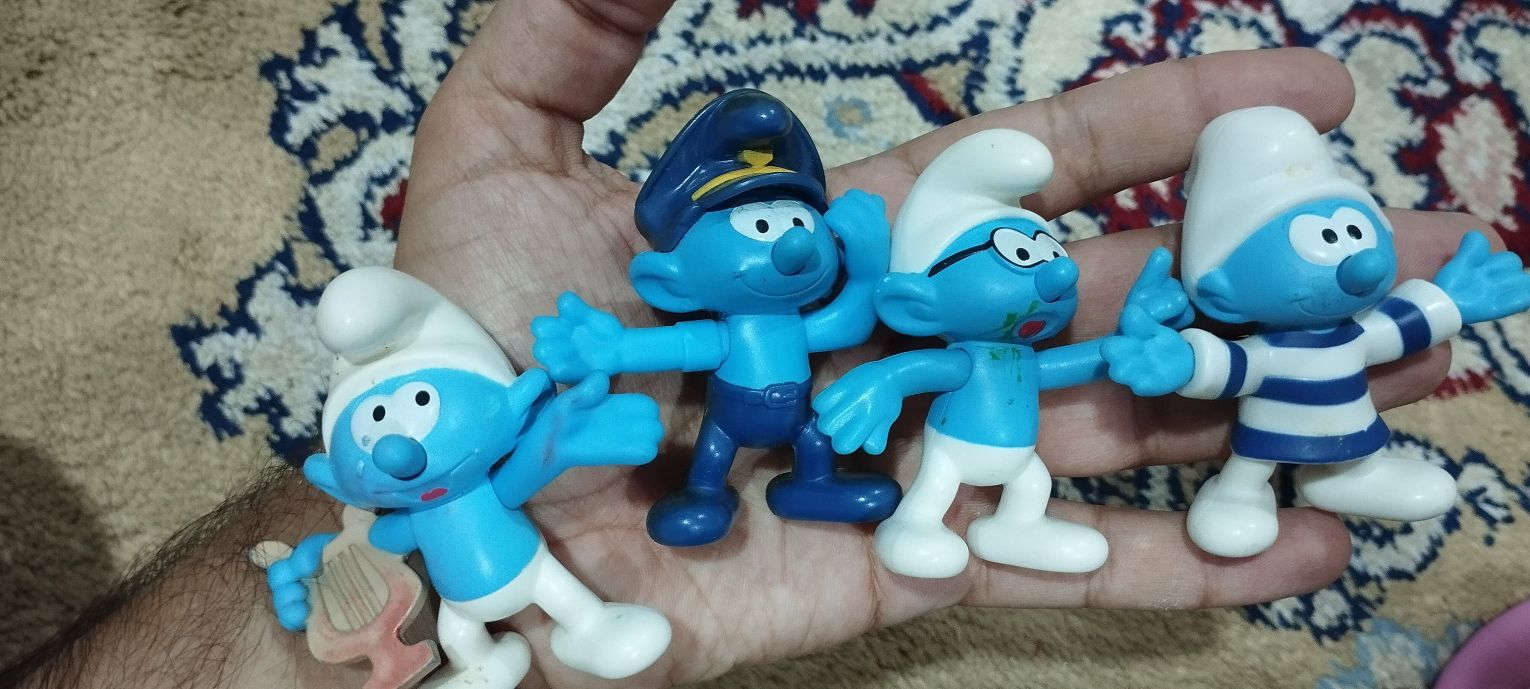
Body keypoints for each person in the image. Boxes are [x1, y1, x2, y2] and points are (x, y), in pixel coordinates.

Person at [2, 1, 1493, 687]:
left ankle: (1002, 508)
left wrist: (1132, 351)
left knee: (975, 475)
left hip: (900, 424)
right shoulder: (697, 321)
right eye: (756, 223)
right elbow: (840, 352)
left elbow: (933, 343)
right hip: (716, 429)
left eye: (794, 220)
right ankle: (625, 585)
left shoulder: (862, 310)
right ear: (672, 267)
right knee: (719, 460)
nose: (783, 243)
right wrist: (592, 369)